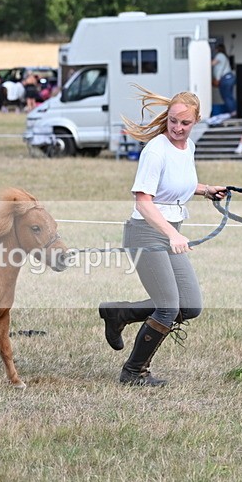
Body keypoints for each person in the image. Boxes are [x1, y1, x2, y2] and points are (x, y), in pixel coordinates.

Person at [98, 85, 228, 387]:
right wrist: (172, 234)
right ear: (167, 118)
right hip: (146, 234)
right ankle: (133, 371)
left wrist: (206, 190)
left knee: (189, 306)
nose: (178, 128)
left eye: (185, 123)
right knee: (168, 307)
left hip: (170, 234)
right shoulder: (155, 150)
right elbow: (143, 201)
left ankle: (117, 314)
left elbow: (179, 183)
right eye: (173, 121)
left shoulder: (188, 147)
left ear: (196, 121)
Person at [212, 44, 236, 117]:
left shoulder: (220, 55)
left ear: (218, 49)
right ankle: (234, 111)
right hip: (229, 77)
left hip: (226, 78)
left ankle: (233, 112)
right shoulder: (224, 56)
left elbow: (212, 63)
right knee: (229, 96)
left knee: (226, 96)